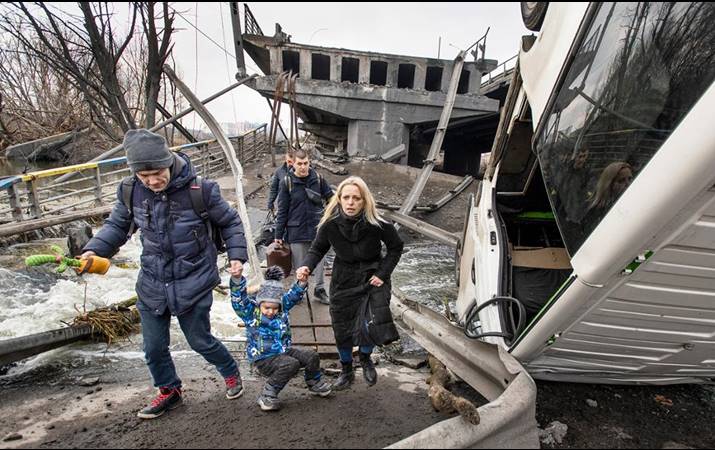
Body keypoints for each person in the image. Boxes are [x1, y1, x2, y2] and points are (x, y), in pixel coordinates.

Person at [81, 129, 247, 420]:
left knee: (200, 340)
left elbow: (231, 222)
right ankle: (169, 391)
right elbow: (117, 226)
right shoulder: (130, 191)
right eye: (145, 177)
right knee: (154, 347)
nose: (153, 181)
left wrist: (236, 256)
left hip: (193, 278)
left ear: (168, 161)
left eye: (157, 173)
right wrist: (95, 250)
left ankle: (230, 371)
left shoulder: (201, 190)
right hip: (153, 281)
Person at [297, 176, 404, 390]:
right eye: (346, 197)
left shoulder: (378, 223)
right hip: (343, 278)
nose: (351, 202)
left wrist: (382, 273)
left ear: (364, 201)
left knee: (371, 323)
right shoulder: (330, 224)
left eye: (356, 198)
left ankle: (365, 358)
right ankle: (346, 370)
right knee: (341, 327)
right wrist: (306, 266)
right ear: (339, 199)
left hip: (373, 276)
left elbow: (396, 247)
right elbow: (317, 249)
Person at [230, 266, 333, 411]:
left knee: (311, 355)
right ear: (259, 304)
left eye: (275, 308)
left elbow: (293, 295)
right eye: (266, 308)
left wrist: (302, 282)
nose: (271, 312)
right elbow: (238, 301)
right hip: (263, 358)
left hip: (283, 351)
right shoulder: (251, 313)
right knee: (291, 364)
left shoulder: (282, 308)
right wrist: (236, 280)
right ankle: (267, 395)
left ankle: (313, 382)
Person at [274, 149, 334, 304]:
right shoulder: (286, 182)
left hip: (317, 228)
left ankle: (319, 289)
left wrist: (329, 217)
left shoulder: (318, 179)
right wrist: (278, 235)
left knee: (320, 260)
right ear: (293, 164)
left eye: (305, 163)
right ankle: (300, 290)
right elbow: (282, 210)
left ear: (309, 162)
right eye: (299, 164)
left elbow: (331, 199)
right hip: (296, 229)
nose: (303, 167)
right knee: (300, 265)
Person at [266, 149, 295, 213]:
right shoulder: (279, 171)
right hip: (283, 204)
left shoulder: (300, 172)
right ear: (285, 160)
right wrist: (270, 202)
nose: (291, 164)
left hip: (297, 205)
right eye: (289, 161)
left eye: (293, 162)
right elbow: (274, 188)